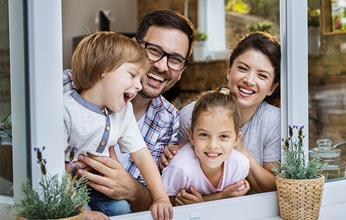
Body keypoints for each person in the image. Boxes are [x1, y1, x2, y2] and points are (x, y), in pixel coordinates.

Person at [63, 10, 194, 216]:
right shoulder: (66, 89)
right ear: (135, 46)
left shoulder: (168, 120)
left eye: (176, 59)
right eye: (154, 50)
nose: (161, 65)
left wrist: (134, 190)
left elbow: (152, 196)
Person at [161, 32, 281, 197]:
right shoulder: (191, 116)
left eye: (262, 75)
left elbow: (274, 188)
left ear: (272, 88)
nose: (249, 80)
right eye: (242, 68)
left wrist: (241, 150)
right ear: (228, 70)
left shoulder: (272, 120)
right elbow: (181, 190)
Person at [161, 88, 250, 205]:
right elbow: (164, 203)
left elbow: (231, 207)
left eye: (223, 136)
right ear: (191, 136)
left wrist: (204, 202)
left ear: (236, 140)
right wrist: (214, 199)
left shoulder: (239, 165)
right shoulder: (180, 168)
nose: (213, 145)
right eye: (204, 135)